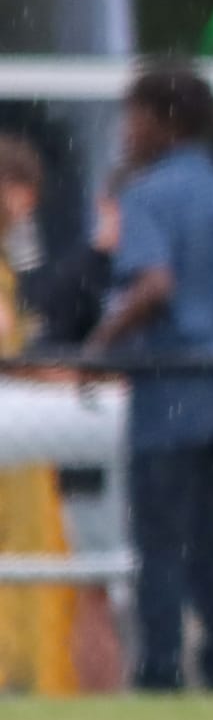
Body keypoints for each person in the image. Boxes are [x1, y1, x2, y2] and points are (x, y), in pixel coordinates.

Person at [84, 62, 213, 693]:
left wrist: (99, 346)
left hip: (170, 385)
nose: (126, 132)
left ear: (160, 121)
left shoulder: (147, 196)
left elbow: (154, 283)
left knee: (159, 541)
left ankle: (160, 670)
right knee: (207, 539)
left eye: (133, 117)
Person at [0, 135, 124, 692]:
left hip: (28, 442)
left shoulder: (19, 271)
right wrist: (66, 379)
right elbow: (11, 350)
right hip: (20, 449)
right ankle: (31, 675)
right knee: (41, 562)